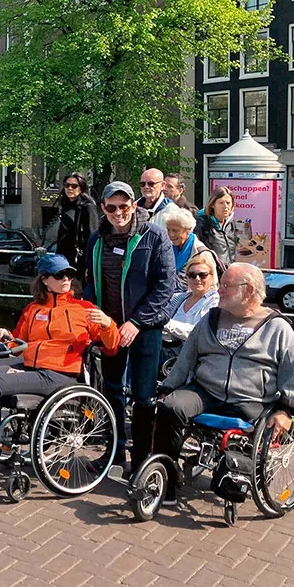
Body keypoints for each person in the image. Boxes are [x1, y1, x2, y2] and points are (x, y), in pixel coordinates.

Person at [0, 254, 120, 478]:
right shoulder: (33, 309)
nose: (66, 279)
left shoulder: (84, 309)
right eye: (60, 275)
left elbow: (112, 347)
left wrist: (108, 325)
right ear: (44, 279)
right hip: (30, 368)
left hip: (61, 374)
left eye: (69, 274)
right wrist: (5, 337)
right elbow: (19, 342)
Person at [155, 263, 294, 504]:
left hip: (251, 398)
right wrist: (168, 388)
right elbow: (187, 357)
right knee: (170, 407)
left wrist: (287, 410)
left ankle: (241, 473)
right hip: (206, 391)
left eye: (226, 286)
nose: (219, 291)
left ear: (248, 291)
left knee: (265, 428)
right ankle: (166, 478)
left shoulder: (277, 327)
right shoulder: (212, 319)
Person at [83, 181, 176, 468]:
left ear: (134, 205)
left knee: (143, 394)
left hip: (144, 328)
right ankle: (114, 454)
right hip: (110, 328)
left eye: (124, 206)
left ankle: (140, 460)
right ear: (103, 208)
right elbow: (90, 281)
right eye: (111, 207)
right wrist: (94, 315)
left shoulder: (155, 236)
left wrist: (137, 321)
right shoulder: (97, 239)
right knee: (111, 390)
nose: (118, 212)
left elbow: (165, 285)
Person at [162, 252, 220, 369]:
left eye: (203, 275)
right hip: (168, 354)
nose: (197, 279)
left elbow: (199, 332)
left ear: (212, 276)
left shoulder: (215, 301)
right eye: (192, 275)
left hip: (197, 360)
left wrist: (167, 323)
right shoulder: (178, 298)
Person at [48, 172, 99, 273]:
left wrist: (89, 263)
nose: (70, 189)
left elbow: (92, 236)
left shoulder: (87, 207)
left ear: (81, 188)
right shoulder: (65, 205)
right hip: (63, 258)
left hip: (79, 261)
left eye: (74, 186)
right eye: (67, 185)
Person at [163, 204, 208, 290]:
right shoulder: (168, 248)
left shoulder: (200, 253)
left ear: (188, 230)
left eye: (175, 231)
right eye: (168, 230)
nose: (171, 234)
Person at [196, 186, 239, 266]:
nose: (226, 206)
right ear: (213, 205)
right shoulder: (202, 223)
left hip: (228, 272)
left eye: (228, 203)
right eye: (221, 203)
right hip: (210, 272)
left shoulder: (231, 224)